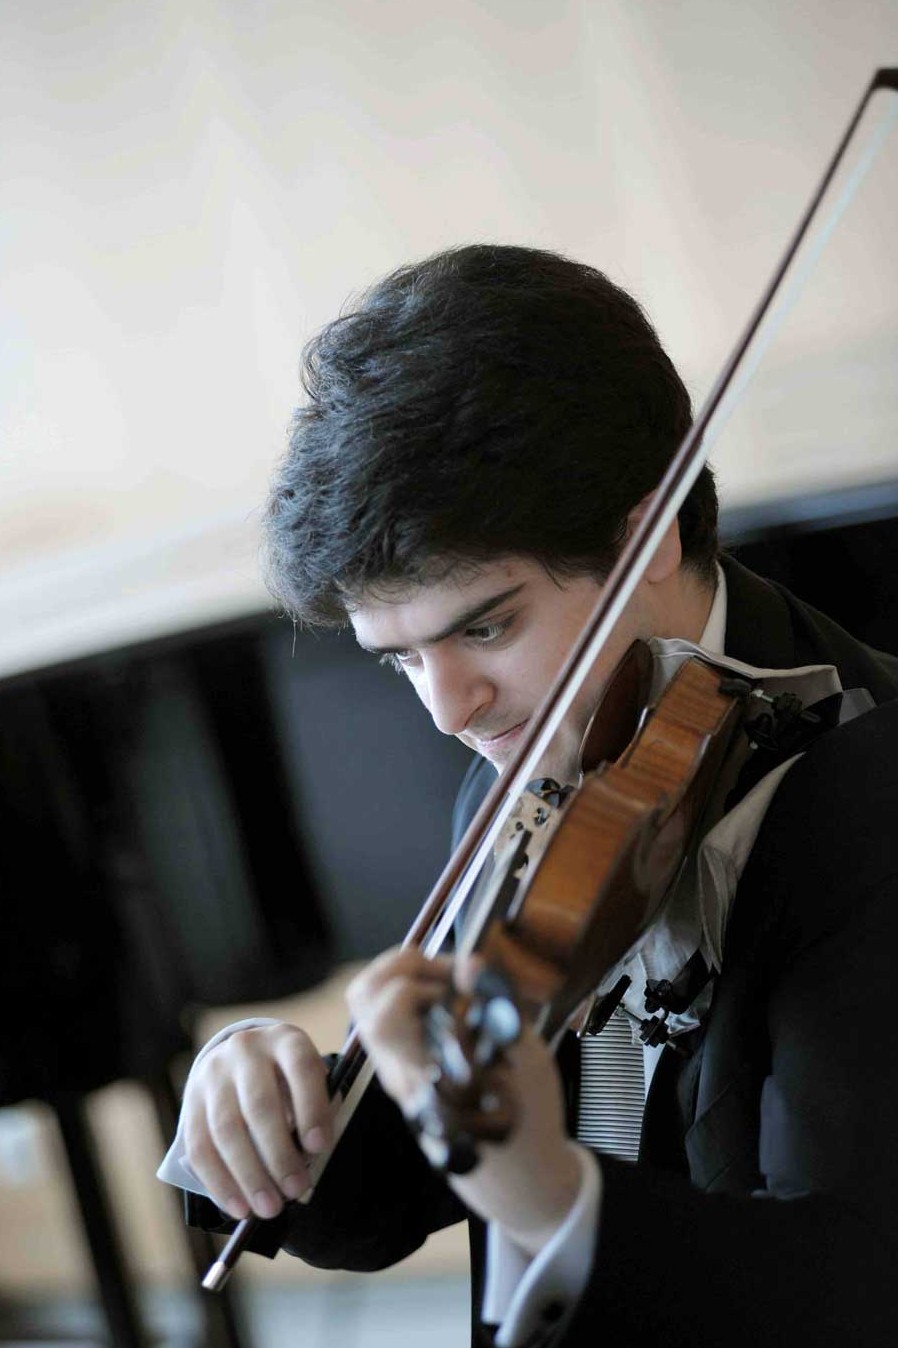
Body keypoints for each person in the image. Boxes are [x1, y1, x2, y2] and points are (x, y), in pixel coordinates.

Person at [158, 245, 898, 1346]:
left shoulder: (865, 797)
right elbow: (397, 1195)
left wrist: (550, 1191)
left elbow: (853, 1290)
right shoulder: (534, 771)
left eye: (485, 624)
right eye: (397, 659)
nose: (449, 708)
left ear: (645, 536)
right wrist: (261, 1109)